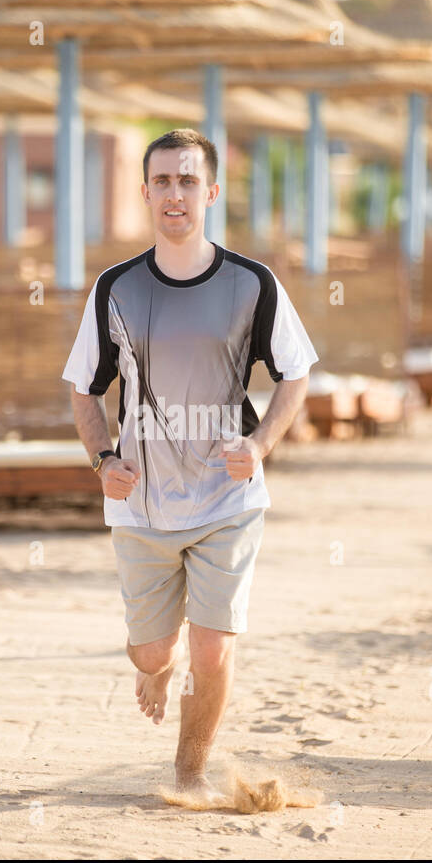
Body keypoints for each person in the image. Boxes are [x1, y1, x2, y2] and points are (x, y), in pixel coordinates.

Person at [62, 128, 318, 803]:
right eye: (162, 182)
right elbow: (83, 389)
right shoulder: (114, 288)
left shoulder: (251, 283)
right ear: (145, 192)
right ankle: (154, 664)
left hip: (226, 502)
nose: (175, 194)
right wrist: (102, 460)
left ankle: (189, 772)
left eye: (187, 181)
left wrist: (258, 446)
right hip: (142, 505)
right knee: (155, 653)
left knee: (212, 651)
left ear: (210, 191)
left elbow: (296, 374)